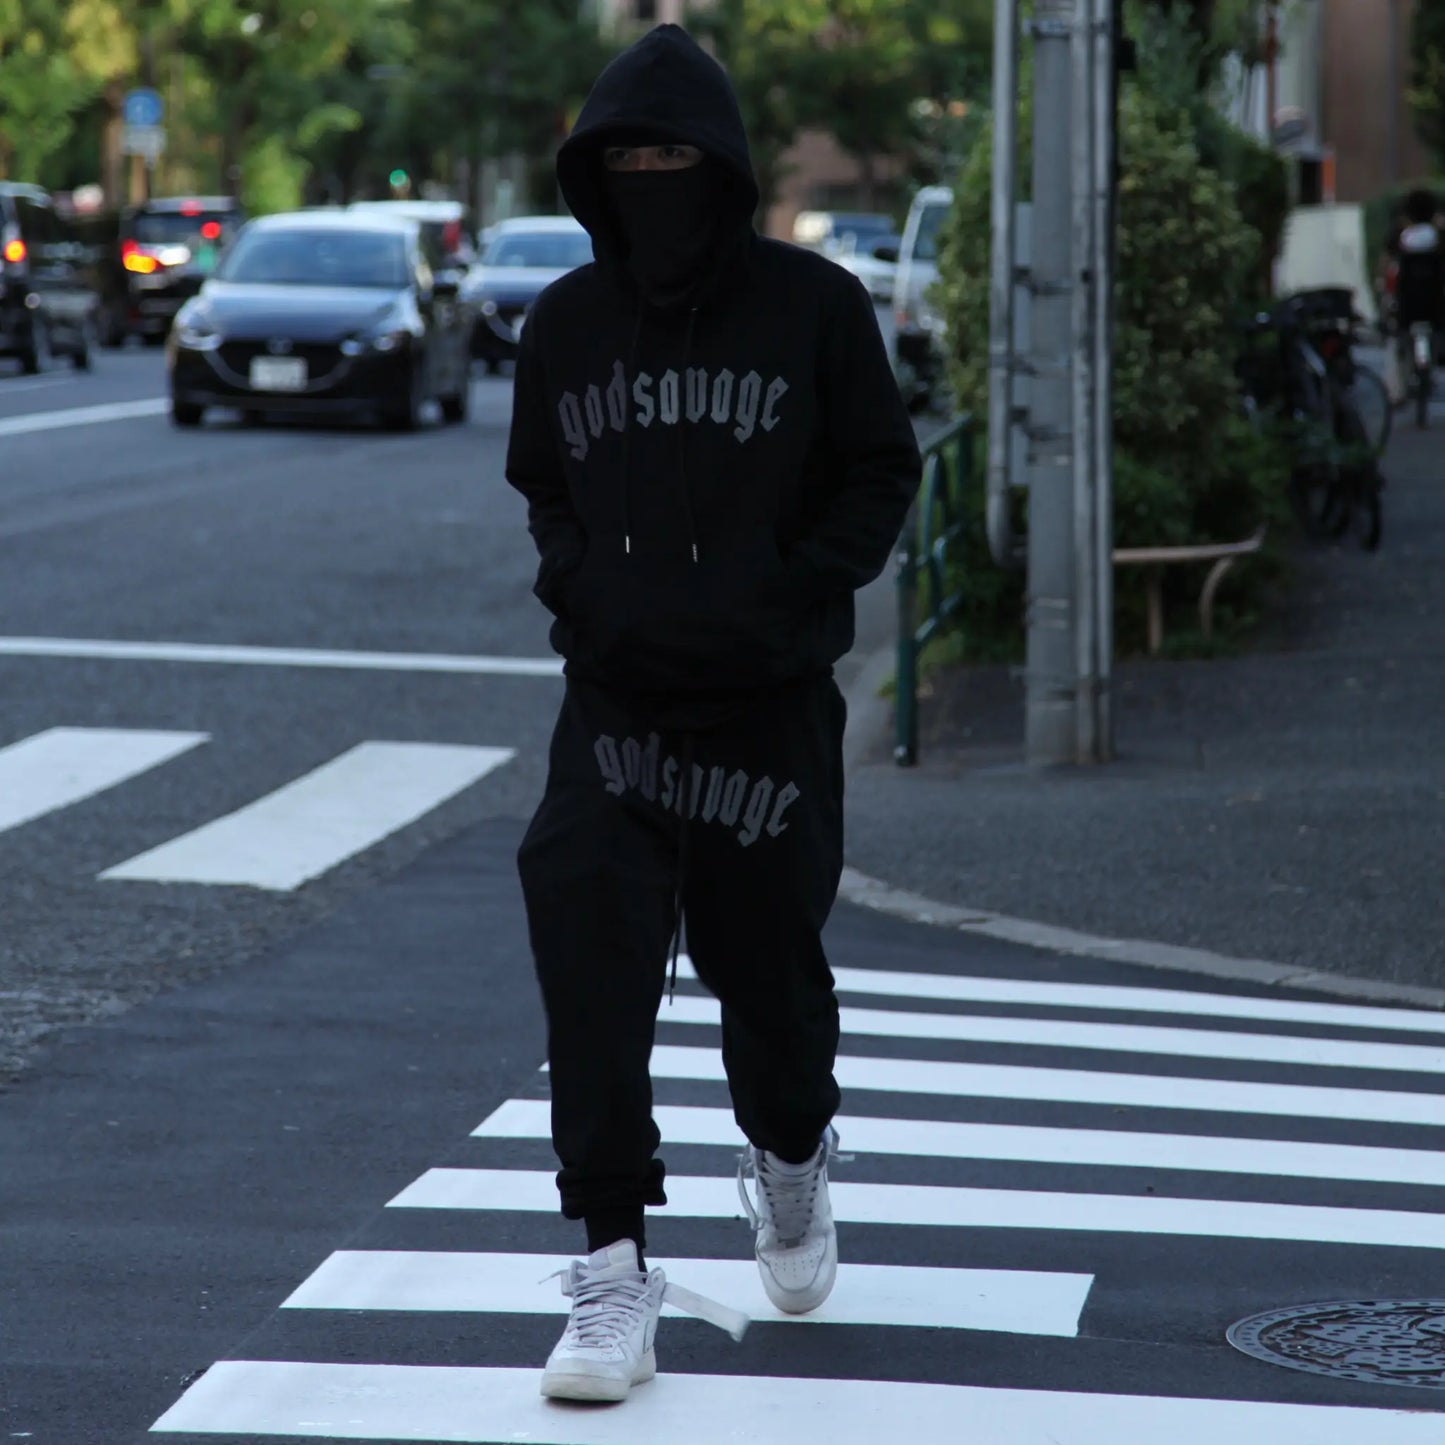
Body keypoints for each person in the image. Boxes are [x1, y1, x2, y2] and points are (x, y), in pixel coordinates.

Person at [505, 23, 921, 1403]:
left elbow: (878, 467)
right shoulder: (565, 322)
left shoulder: (813, 306)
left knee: (771, 982)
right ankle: (613, 1270)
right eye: (622, 161)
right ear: (590, 175)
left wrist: (792, 595)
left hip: (765, 711)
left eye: (672, 159)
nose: (647, 180)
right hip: (615, 706)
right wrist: (583, 590)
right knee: (591, 964)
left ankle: (790, 1155)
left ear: (725, 169)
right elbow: (543, 486)